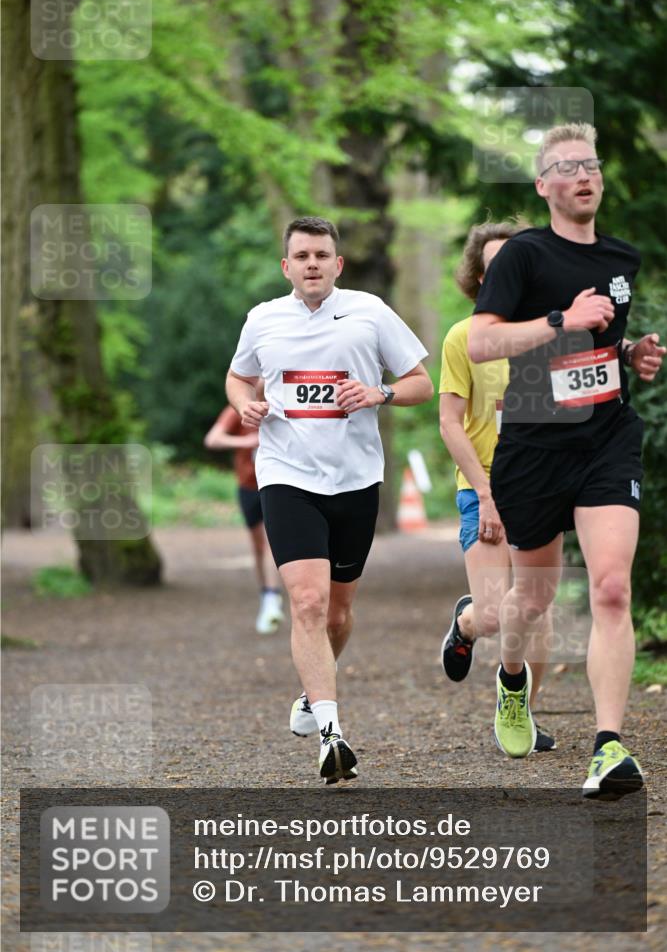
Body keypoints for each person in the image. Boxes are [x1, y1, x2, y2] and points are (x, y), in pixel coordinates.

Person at [468, 123, 665, 799]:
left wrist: (626, 356)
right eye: (567, 166)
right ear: (543, 185)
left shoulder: (620, 258)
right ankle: (512, 682)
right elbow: (483, 346)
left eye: (591, 164)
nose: (583, 175)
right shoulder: (521, 257)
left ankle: (607, 746)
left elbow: (591, 354)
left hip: (605, 435)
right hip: (531, 447)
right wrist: (561, 321)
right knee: (533, 596)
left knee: (611, 588)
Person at [226, 216, 433, 783]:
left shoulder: (370, 311)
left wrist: (379, 392)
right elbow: (238, 378)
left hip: (356, 478)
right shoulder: (263, 319)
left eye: (322, 254)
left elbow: (421, 382)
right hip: (286, 475)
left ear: (337, 265)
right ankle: (331, 733)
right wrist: (246, 404)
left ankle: (310, 693)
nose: (312, 263)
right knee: (309, 604)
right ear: (286, 266)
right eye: (302, 255)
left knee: (338, 613)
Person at [439, 221, 555, 753]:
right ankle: (464, 625)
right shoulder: (464, 338)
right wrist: (485, 493)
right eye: (494, 266)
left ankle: (521, 711)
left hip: (539, 486)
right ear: (479, 277)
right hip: (482, 487)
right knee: (491, 615)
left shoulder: (552, 332)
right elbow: (449, 423)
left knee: (536, 611)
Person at [204, 394, 285, 634]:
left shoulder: (283, 399)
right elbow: (213, 439)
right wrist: (248, 442)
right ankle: (266, 597)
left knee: (271, 543)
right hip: (248, 484)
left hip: (279, 482)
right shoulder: (239, 407)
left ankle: (272, 598)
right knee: (258, 546)